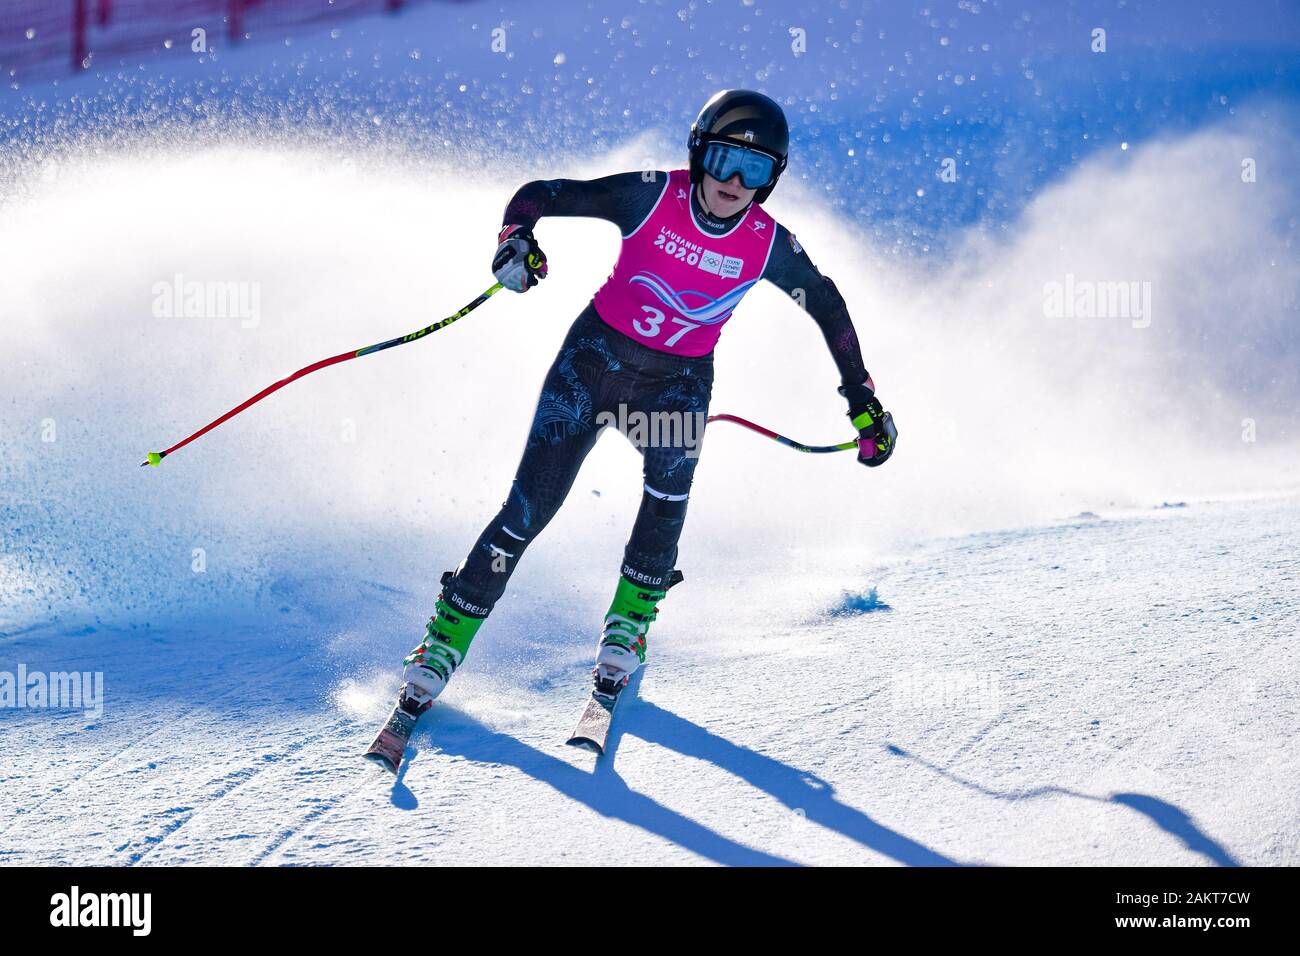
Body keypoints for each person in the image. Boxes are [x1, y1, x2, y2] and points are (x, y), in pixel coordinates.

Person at [399, 89, 897, 710]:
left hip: (675, 388)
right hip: (590, 369)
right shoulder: (650, 195)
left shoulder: (768, 243)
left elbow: (826, 304)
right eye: (723, 162)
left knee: (665, 503)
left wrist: (861, 397)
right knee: (528, 511)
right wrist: (515, 236)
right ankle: (446, 639)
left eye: (757, 170)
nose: (736, 182)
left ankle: (628, 625)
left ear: (774, 179)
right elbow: (544, 193)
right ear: (697, 154)